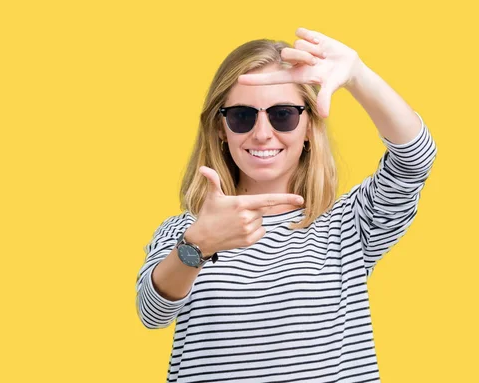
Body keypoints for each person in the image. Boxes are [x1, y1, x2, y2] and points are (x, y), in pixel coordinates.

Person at [135, 27, 437, 383]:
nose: (262, 133)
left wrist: (357, 75)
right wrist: (198, 246)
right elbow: (152, 312)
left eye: (282, 114)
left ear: (308, 126)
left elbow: (414, 160)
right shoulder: (185, 232)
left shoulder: (348, 225)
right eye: (242, 116)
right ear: (221, 128)